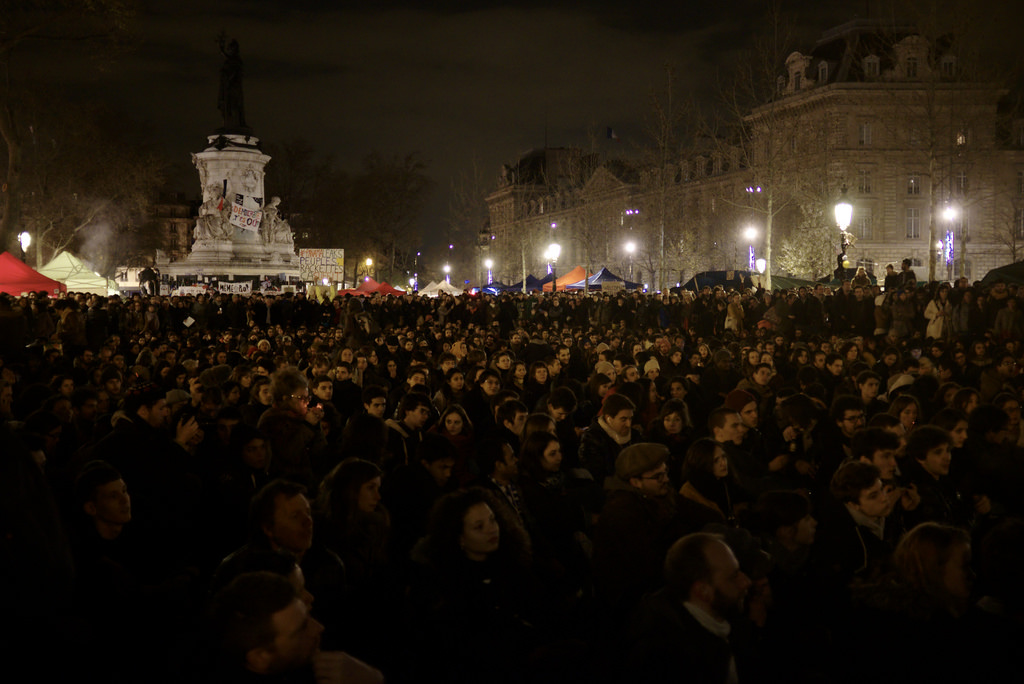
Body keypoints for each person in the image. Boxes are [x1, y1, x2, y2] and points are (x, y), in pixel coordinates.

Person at [627, 532, 753, 683]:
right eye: (733, 576)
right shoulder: (665, 657)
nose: (746, 582)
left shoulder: (726, 622)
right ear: (702, 591)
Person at [257, 368, 326, 488]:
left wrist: (316, 425)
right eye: (301, 398)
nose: (306, 403)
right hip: (284, 484)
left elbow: (321, 450)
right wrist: (308, 425)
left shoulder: (301, 416)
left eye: (307, 398)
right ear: (285, 399)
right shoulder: (272, 419)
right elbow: (290, 453)